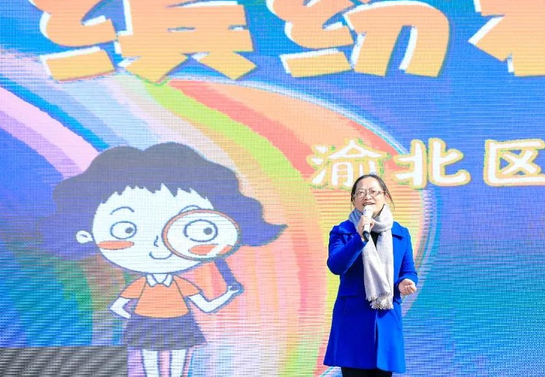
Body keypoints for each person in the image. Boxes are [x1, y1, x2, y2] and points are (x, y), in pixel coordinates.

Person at [42, 143, 285, 377]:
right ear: (86, 234)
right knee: (150, 361)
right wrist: (138, 319)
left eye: (200, 230)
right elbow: (117, 307)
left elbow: (207, 306)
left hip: (178, 323)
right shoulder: (141, 286)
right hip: (148, 324)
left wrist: (229, 294)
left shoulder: (181, 285)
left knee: (179, 359)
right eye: (126, 229)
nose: (159, 245)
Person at [324, 174, 418, 377]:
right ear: (353, 200)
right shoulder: (343, 231)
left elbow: (408, 270)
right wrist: (358, 237)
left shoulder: (400, 233)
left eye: (373, 191)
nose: (367, 196)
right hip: (353, 320)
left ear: (385, 196)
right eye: (360, 192)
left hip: (386, 317)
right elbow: (336, 265)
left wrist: (406, 282)